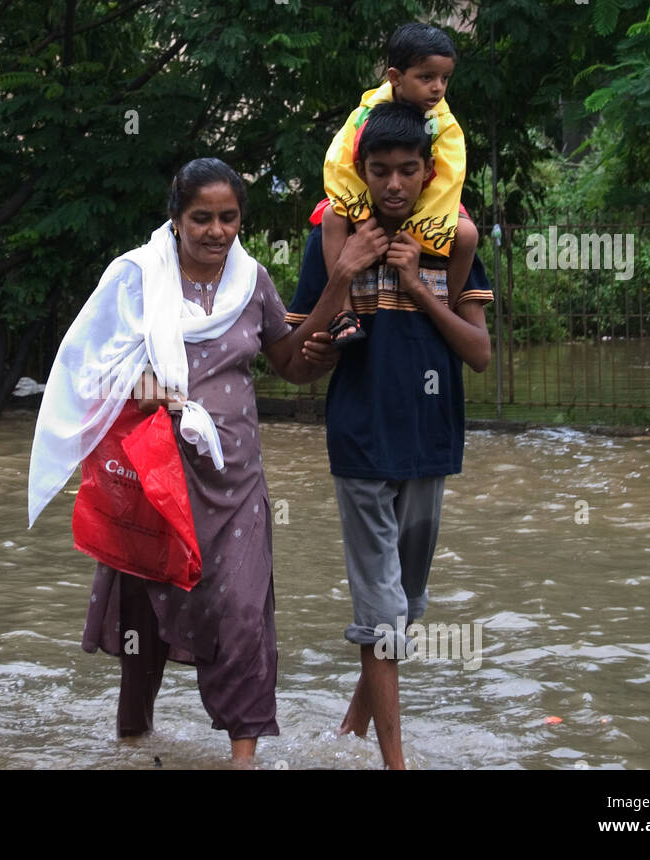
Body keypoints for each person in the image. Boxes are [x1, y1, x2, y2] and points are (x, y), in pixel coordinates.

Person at [28, 158, 375, 762]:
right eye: (202, 218)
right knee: (143, 619)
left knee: (243, 614)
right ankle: (134, 743)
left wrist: (338, 284)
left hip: (233, 479)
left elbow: (290, 365)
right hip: (151, 477)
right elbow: (86, 369)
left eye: (229, 218)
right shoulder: (135, 279)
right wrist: (139, 386)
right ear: (176, 217)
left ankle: (244, 759)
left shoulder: (252, 282)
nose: (217, 231)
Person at [285, 103, 493, 768]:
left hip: (430, 441)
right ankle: (394, 763)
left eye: (408, 171)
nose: (395, 184)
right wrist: (346, 271)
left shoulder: (449, 240)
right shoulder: (335, 237)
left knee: (406, 605)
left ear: (429, 172)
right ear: (363, 173)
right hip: (360, 439)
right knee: (381, 611)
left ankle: (351, 726)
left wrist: (417, 286)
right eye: (381, 171)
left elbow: (480, 354)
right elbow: (297, 357)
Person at [318, 22, 477, 347]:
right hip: (368, 199)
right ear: (395, 77)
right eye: (427, 77)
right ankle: (343, 313)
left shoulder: (444, 125)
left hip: (431, 201)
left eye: (445, 78)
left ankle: (447, 302)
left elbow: (448, 181)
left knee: (468, 234)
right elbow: (340, 165)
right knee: (333, 217)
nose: (438, 88)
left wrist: (416, 228)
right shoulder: (365, 114)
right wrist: (363, 218)